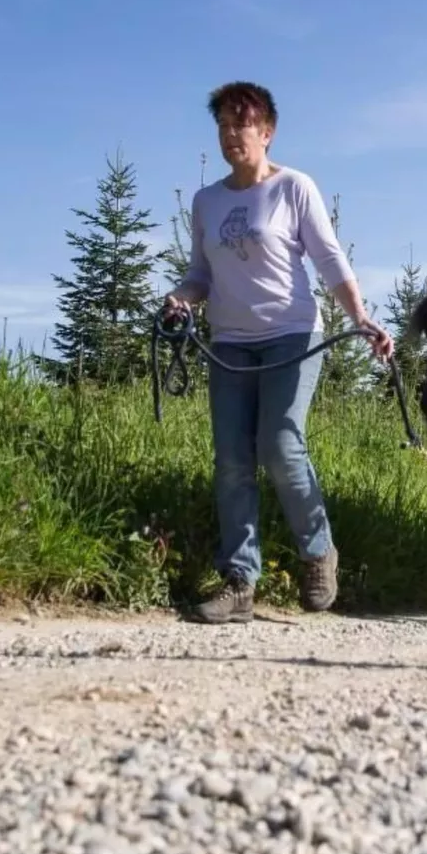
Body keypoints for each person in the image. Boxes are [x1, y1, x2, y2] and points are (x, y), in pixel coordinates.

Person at [162, 81, 393, 625]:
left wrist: (360, 318)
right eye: (221, 125)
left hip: (292, 334)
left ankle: (318, 552)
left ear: (266, 132)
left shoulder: (294, 187)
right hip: (230, 341)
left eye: (240, 124)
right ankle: (240, 581)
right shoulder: (207, 200)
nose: (229, 134)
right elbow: (201, 273)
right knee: (232, 459)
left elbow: (329, 259)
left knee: (279, 445)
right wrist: (180, 297)